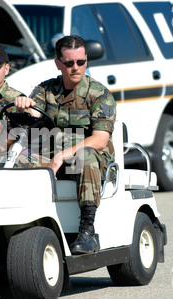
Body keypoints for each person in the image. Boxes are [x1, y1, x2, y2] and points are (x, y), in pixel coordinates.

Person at [14, 35, 117, 255]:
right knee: (22, 159)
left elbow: (100, 139)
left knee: (85, 156)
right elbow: (34, 112)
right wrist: (24, 107)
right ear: (58, 63)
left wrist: (62, 155)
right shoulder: (46, 90)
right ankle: (24, 227)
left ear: (86, 60)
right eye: (69, 63)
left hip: (89, 158)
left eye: (81, 62)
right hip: (53, 155)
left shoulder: (99, 94)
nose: (76, 68)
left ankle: (87, 231)